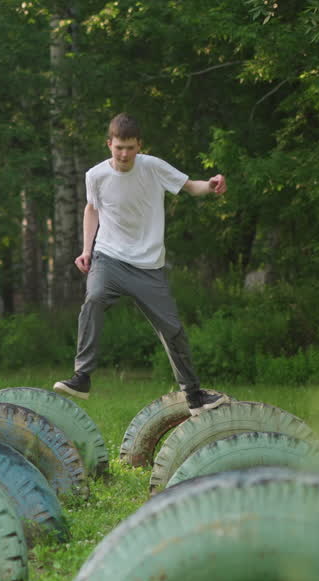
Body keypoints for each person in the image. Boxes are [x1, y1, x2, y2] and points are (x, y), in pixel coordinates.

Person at [53, 113, 229, 416]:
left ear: (139, 146)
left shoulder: (153, 167)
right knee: (94, 297)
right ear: (109, 144)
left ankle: (194, 396)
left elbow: (190, 186)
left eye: (130, 148)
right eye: (119, 147)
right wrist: (86, 250)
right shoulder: (95, 175)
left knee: (172, 329)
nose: (124, 154)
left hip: (148, 265)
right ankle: (82, 377)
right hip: (109, 256)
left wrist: (211, 185)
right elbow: (92, 209)